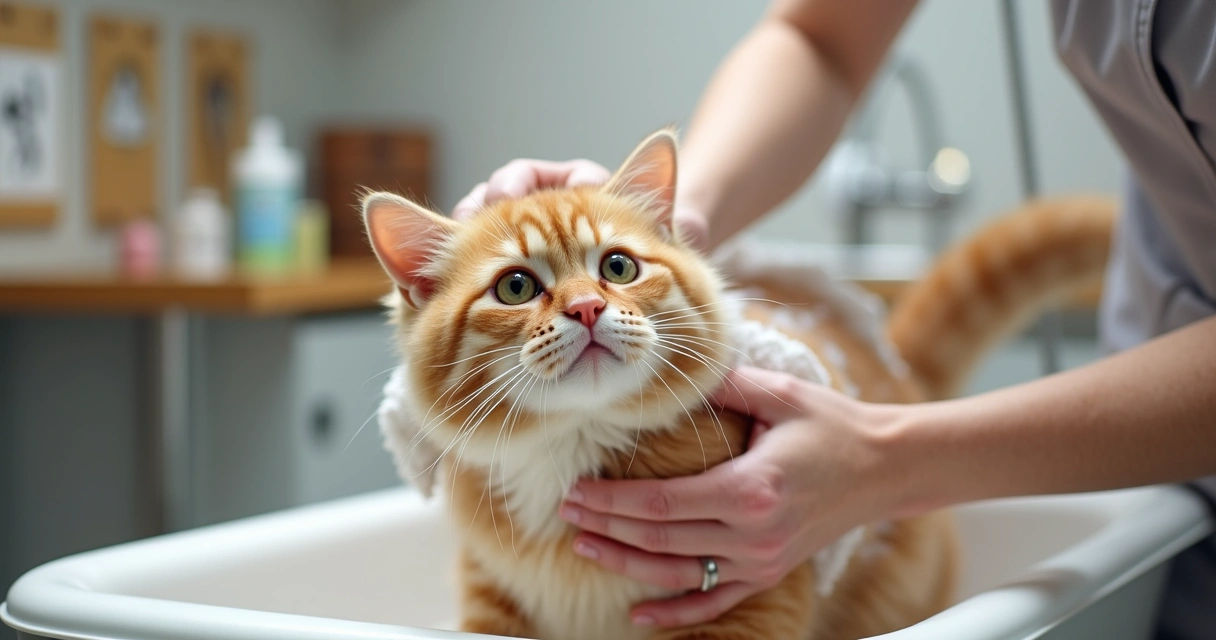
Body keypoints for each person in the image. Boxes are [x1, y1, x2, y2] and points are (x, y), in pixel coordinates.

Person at [450, 1, 1216, 636]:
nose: (584, 303)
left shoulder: (711, 431)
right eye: (519, 286)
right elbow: (820, 37)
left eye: (615, 271)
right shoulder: (475, 475)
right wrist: (675, 219)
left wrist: (887, 461)